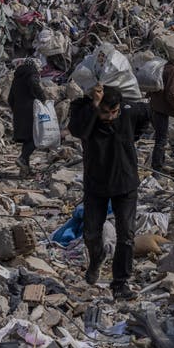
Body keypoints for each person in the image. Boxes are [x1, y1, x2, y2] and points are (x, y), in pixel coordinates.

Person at [69, 85, 152, 300]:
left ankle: (120, 283)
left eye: (114, 112)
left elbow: (148, 113)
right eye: (105, 112)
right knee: (91, 233)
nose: (110, 117)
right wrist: (94, 107)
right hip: (96, 184)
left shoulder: (128, 111)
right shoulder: (85, 113)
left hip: (125, 184)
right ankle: (96, 260)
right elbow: (78, 131)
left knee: (126, 235)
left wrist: (134, 136)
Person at [7, 60, 46, 176]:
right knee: (36, 137)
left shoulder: (17, 77)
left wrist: (16, 110)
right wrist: (43, 99)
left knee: (27, 139)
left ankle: (25, 169)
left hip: (19, 112)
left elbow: (10, 98)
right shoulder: (31, 73)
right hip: (31, 111)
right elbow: (34, 85)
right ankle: (23, 158)